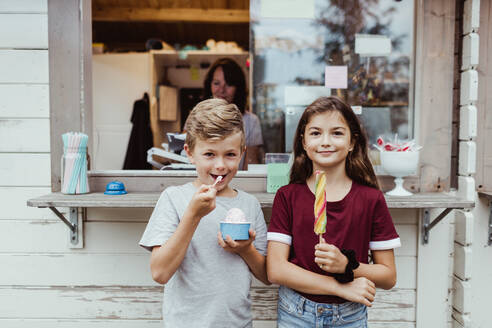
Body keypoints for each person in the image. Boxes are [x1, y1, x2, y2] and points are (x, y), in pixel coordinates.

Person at [267, 96, 400, 327]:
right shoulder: (287, 196)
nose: (325, 141)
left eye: (337, 133)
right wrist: (341, 286)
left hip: (350, 317)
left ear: (352, 142)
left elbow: (388, 276)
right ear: (304, 141)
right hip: (295, 313)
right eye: (316, 133)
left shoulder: (371, 199)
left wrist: (349, 266)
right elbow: (276, 270)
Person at [139, 98, 269, 328]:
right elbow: (160, 272)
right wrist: (193, 215)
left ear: (242, 153)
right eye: (209, 154)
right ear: (190, 153)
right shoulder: (174, 199)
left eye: (230, 154)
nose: (220, 165)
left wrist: (245, 249)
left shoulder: (249, 204)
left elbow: (266, 276)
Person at [203, 58, 264, 166]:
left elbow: (251, 165)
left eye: (229, 84)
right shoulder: (197, 118)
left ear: (238, 88)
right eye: (216, 83)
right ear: (209, 85)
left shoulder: (250, 121)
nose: (221, 90)